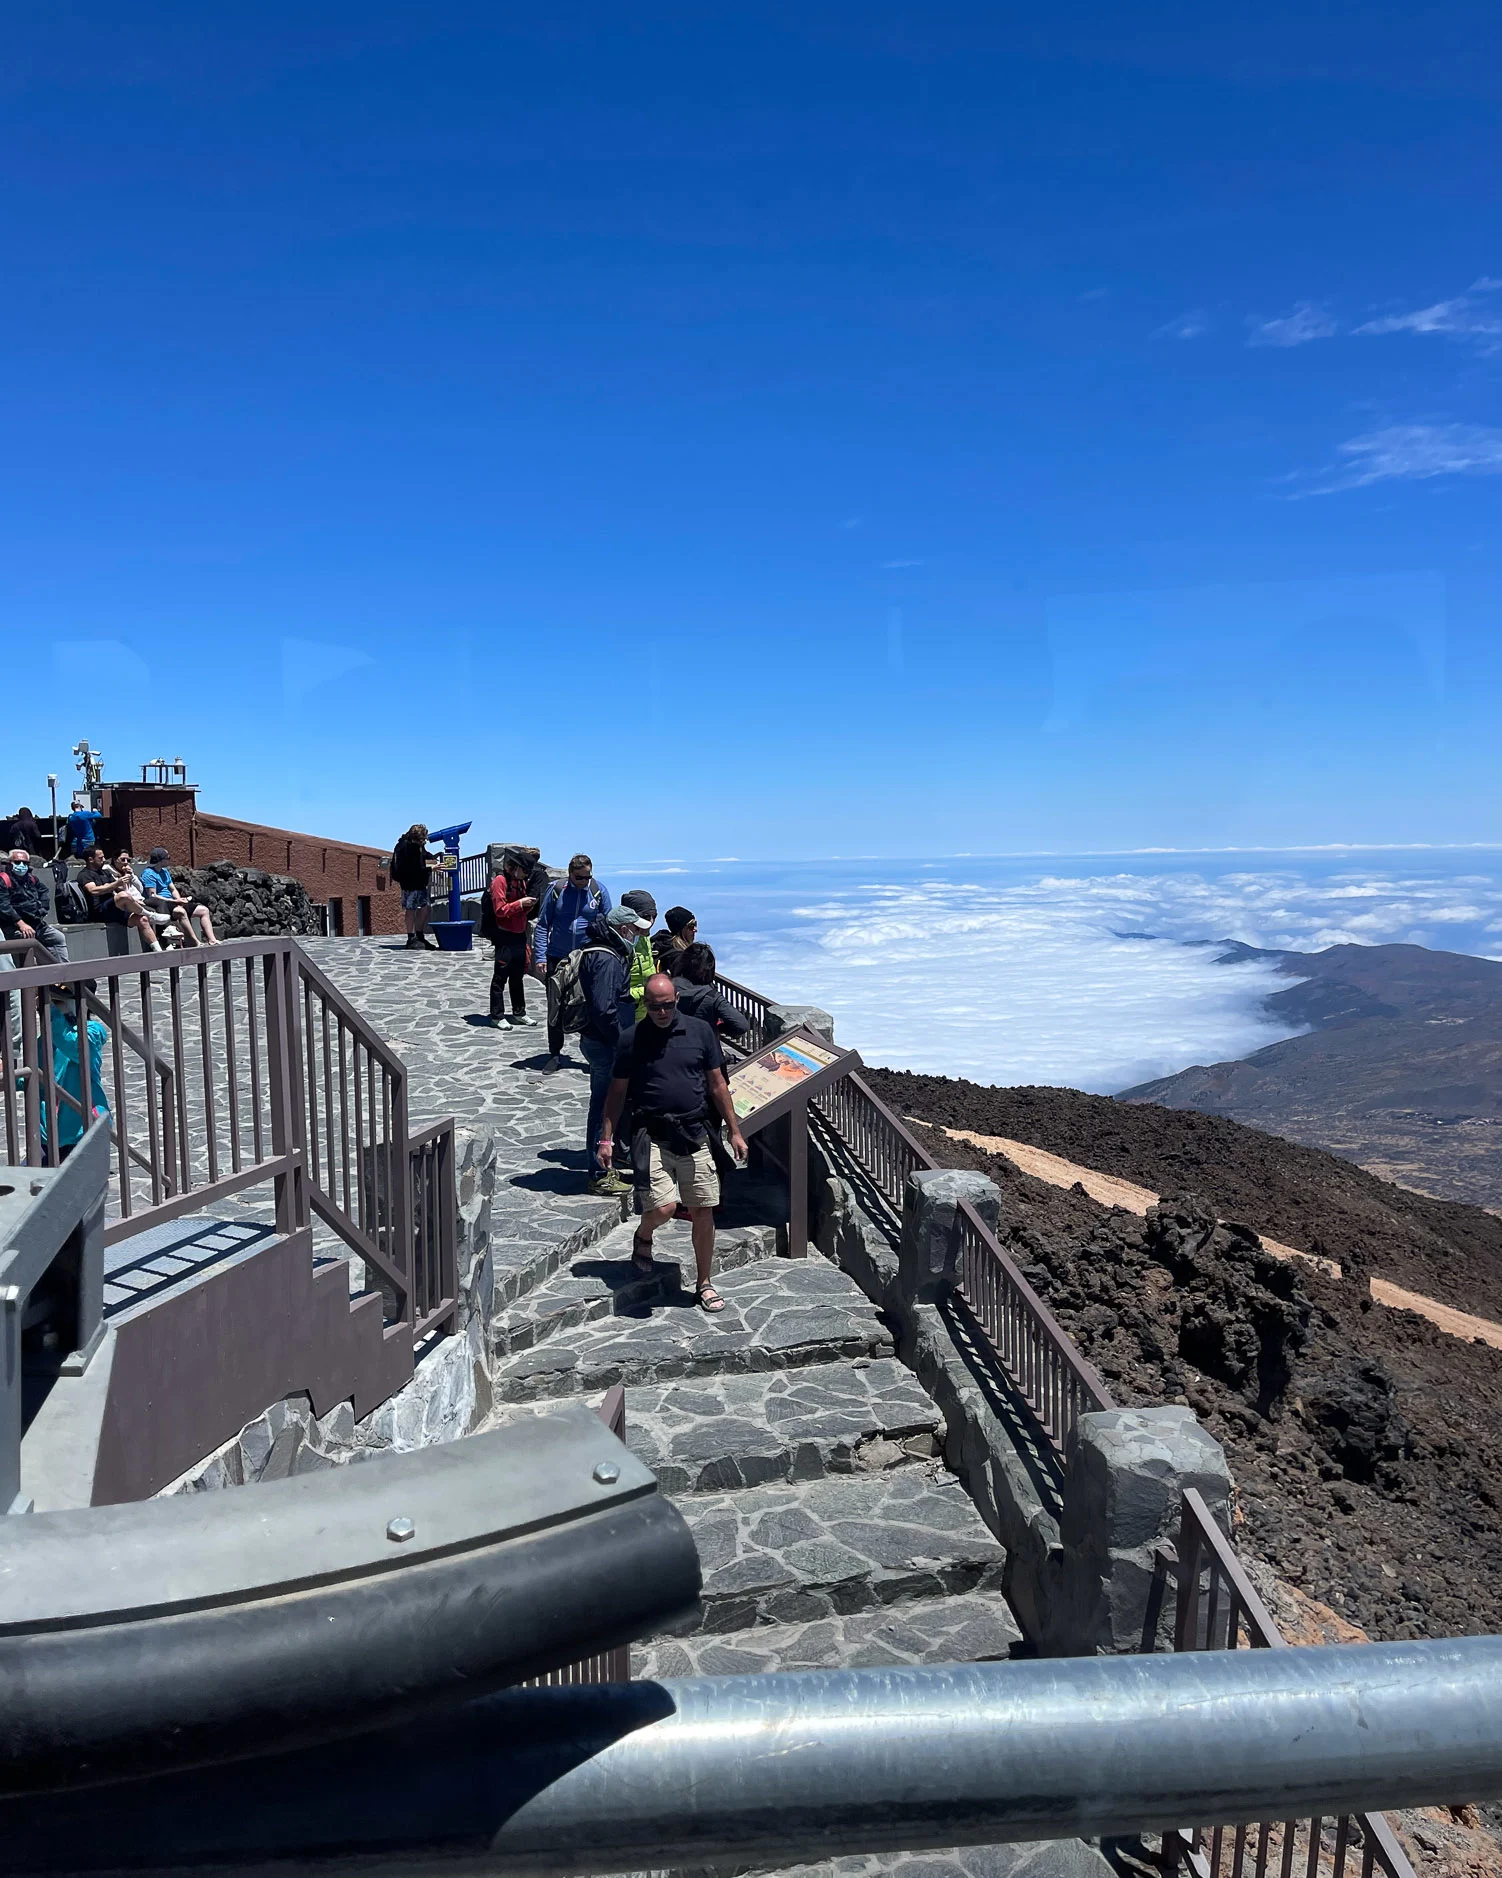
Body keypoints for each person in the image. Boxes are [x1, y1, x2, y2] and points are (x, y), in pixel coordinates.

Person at [598, 972, 748, 1313]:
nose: (662, 1012)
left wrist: (734, 1130)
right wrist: (606, 1139)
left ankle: (704, 1283)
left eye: (667, 1005)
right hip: (651, 1133)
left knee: (703, 1210)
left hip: (695, 1132)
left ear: (677, 1000)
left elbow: (717, 1084)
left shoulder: (700, 1032)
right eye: (654, 1007)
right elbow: (617, 1092)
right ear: (646, 1004)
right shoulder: (631, 1039)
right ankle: (644, 1235)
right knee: (663, 1207)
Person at [577, 902, 650, 1196]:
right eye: (635, 931)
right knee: (603, 1108)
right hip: (604, 1043)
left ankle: (603, 1165)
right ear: (623, 929)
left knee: (603, 1104)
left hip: (597, 1040)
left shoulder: (600, 950)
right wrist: (621, 1041)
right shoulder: (608, 959)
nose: (637, 936)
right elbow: (604, 1009)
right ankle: (598, 1174)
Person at [533, 854, 611, 1067]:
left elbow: (608, 925)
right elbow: (543, 924)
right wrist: (540, 956)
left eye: (588, 877)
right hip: (557, 956)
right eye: (579, 877)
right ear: (570, 874)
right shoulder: (557, 890)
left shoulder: (599, 891)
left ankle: (591, 1052)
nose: (584, 881)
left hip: (586, 957)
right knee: (555, 1005)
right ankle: (555, 1054)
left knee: (590, 1004)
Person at [40, 985, 110, 1162]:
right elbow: (39, 1076)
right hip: (49, 1132)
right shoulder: (46, 1039)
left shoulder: (93, 1032)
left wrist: (53, 1014)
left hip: (83, 1129)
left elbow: (74, 1047)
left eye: (58, 1002)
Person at [485, 849, 538, 1030]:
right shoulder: (500, 881)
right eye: (525, 870)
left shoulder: (520, 882)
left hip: (519, 934)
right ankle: (497, 1016)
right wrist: (520, 904)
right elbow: (500, 910)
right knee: (500, 977)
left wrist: (527, 906)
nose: (526, 875)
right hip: (504, 935)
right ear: (515, 867)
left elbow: (518, 911)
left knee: (517, 976)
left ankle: (519, 1012)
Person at [78, 846, 163, 951]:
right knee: (123, 896)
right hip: (98, 911)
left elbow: (120, 888)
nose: (104, 860)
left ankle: (158, 951)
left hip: (113, 908)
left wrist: (128, 877)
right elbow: (93, 890)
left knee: (142, 919)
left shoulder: (104, 872)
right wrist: (115, 884)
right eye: (100, 858)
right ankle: (150, 915)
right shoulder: (85, 874)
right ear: (91, 860)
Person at [0, 849, 70, 961]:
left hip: (35, 922)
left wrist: (41, 910)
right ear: (9, 863)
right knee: (25, 941)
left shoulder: (31, 879)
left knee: (57, 937)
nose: (21, 865)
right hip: (14, 925)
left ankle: (61, 969)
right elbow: (4, 906)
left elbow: (44, 892)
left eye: (25, 863)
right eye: (17, 862)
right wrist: (21, 924)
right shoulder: (4, 880)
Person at [672, 942, 751, 1040]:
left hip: (670, 1045)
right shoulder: (712, 996)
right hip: (703, 1045)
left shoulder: (667, 988)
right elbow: (742, 1026)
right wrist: (719, 1028)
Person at [140, 848, 219, 946]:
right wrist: (173, 901)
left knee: (204, 910)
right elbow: (153, 895)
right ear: (161, 860)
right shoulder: (148, 874)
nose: (169, 860)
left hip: (173, 901)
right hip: (163, 904)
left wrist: (179, 900)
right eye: (168, 858)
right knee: (181, 912)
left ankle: (212, 940)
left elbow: (173, 889)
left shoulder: (164, 871)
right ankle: (194, 941)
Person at [389, 824, 439, 950]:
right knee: (417, 909)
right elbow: (414, 868)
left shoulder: (405, 845)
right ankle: (414, 937)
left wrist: (432, 858)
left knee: (416, 909)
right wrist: (431, 868)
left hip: (409, 883)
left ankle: (414, 936)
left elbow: (423, 855)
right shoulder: (409, 848)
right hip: (413, 883)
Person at [618, 889, 658, 1024]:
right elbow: (614, 990)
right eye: (646, 917)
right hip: (624, 1016)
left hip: (645, 1015)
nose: (651, 921)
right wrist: (646, 992)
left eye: (654, 916)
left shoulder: (644, 938)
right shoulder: (620, 945)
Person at [651, 906, 697, 974]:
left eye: (695, 924)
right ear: (681, 929)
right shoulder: (677, 956)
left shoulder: (661, 946)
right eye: (691, 926)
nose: (695, 929)